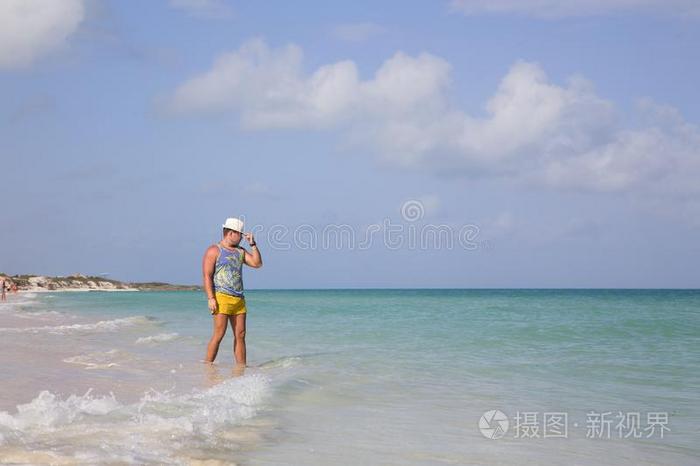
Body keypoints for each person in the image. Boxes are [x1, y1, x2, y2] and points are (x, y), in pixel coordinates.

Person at [202, 217, 263, 366]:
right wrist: (211, 298)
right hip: (221, 297)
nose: (242, 237)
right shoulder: (214, 250)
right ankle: (207, 366)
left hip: (239, 299)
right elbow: (207, 276)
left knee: (240, 335)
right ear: (230, 233)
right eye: (240, 234)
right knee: (219, 334)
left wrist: (253, 244)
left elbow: (257, 263)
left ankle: (241, 369)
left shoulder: (240, 251)